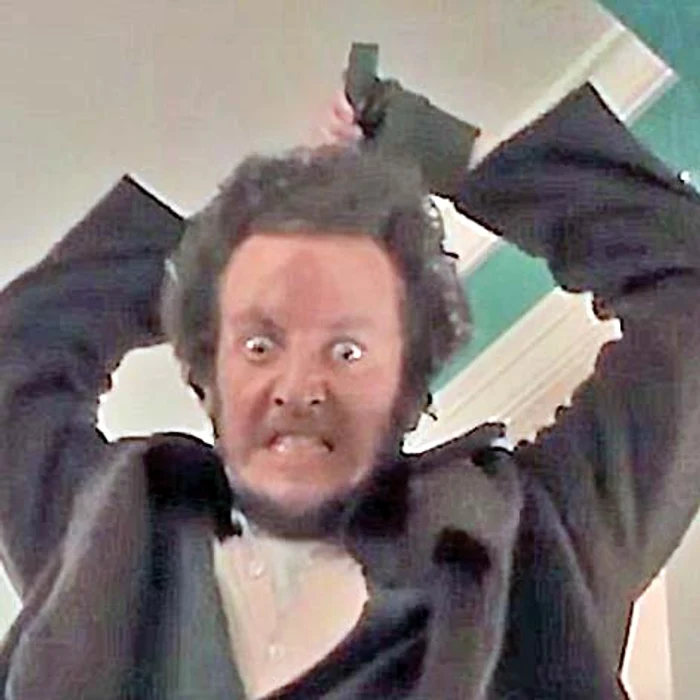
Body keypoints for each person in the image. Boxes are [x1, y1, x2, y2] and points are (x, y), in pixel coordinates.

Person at [1, 66, 700, 700]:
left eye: (346, 349)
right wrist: (217, 250)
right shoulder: (108, 537)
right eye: (260, 343)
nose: (299, 385)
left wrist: (447, 155)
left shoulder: (536, 547)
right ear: (208, 377)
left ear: (407, 389)